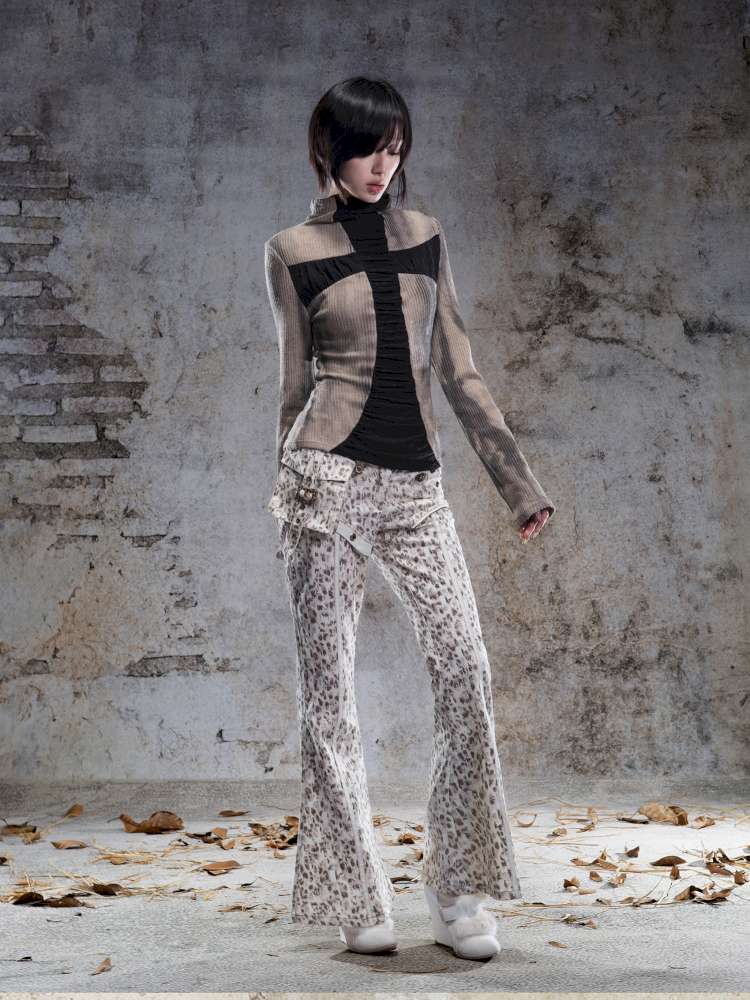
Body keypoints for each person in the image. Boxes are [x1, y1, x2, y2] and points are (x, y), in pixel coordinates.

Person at [263, 76, 556, 960]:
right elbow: (293, 385)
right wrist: (286, 493)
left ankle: (455, 889)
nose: (383, 165)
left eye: (395, 148)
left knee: (466, 666)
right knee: (329, 700)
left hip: (414, 486)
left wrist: (519, 487)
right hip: (324, 482)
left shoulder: (425, 236)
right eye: (367, 148)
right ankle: (356, 895)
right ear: (330, 150)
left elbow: (459, 372)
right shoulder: (291, 250)